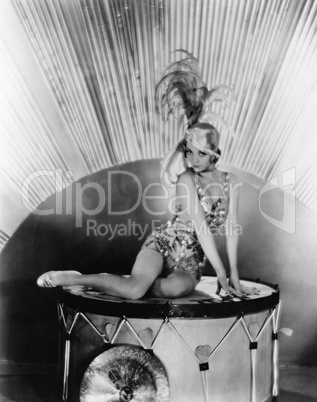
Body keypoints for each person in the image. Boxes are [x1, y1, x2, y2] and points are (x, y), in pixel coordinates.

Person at [37, 51, 247, 299]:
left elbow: (232, 228)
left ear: (214, 154)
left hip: (191, 262)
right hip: (163, 245)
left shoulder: (230, 182)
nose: (191, 160)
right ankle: (77, 277)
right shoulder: (187, 179)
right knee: (135, 291)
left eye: (199, 154)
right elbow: (201, 226)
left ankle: (130, 283)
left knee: (173, 289)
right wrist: (220, 273)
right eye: (188, 152)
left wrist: (233, 271)